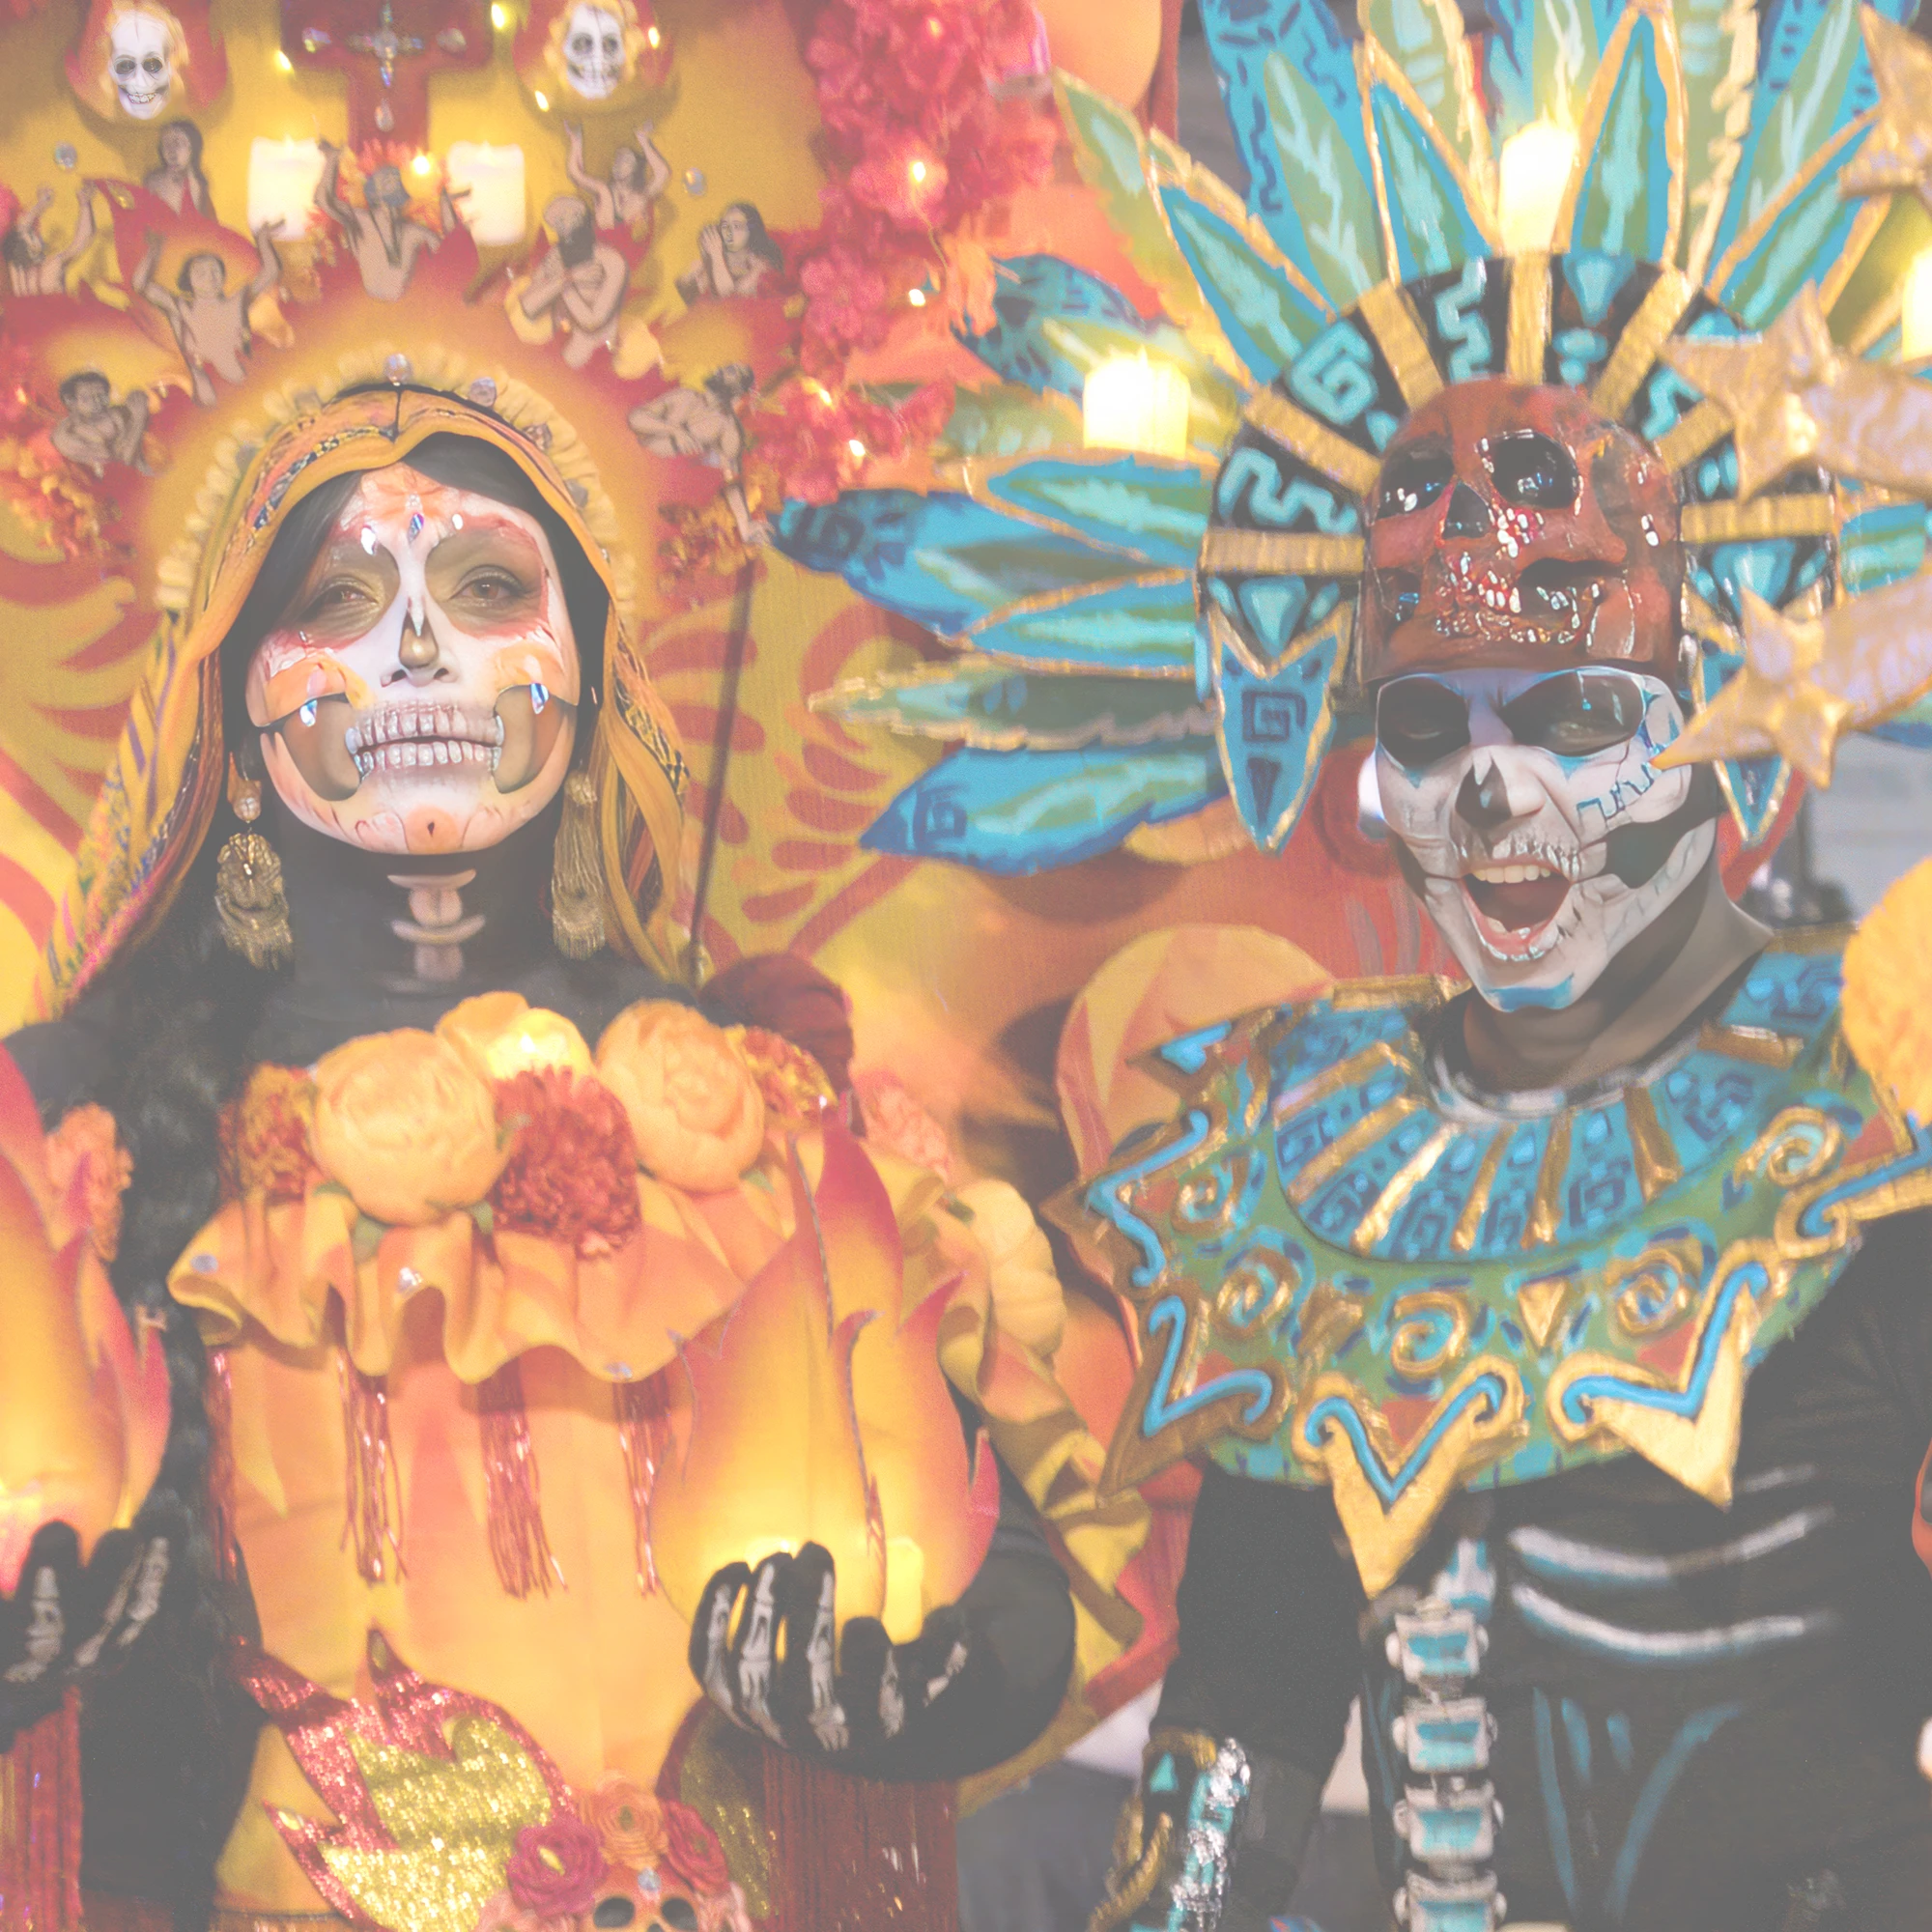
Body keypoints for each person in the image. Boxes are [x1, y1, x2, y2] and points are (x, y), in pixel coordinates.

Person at [0, 374, 1103, 1932]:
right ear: (234, 707)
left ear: (590, 685)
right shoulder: (78, 1128)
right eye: (339, 600)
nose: (420, 648)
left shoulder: (747, 1106)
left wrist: (910, 1676)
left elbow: (1005, 1586)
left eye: (485, 589)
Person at [131, 220, 282, 405]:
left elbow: (270, 272)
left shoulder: (237, 302)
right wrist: (153, 252)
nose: (209, 277)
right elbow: (141, 285)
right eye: (200, 273)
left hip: (251, 383)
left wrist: (262, 240)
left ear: (223, 276)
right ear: (188, 280)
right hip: (211, 393)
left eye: (214, 270)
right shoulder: (180, 308)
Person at [628, 364, 767, 544]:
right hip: (623, 459)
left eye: (732, 372)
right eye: (727, 368)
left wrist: (745, 526)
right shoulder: (685, 396)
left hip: (650, 495)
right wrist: (674, 430)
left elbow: (732, 484)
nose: (722, 369)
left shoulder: (728, 430)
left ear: (738, 389)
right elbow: (635, 418)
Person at [315, 142, 461, 302]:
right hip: (366, 308)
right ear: (375, 193)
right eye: (386, 181)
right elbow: (323, 199)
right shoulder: (361, 220)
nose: (391, 182)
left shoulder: (413, 232)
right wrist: (332, 159)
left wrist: (446, 205)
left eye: (394, 180)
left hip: (402, 311)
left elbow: (451, 254)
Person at [521, 194, 632, 369]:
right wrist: (565, 278)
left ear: (580, 217)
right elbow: (528, 306)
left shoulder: (610, 260)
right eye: (554, 224)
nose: (559, 229)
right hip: (551, 348)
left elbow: (592, 321)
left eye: (562, 220)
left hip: (591, 356)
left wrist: (566, 284)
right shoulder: (556, 256)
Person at [565, 119, 669, 236]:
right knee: (604, 191)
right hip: (603, 239)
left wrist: (644, 141)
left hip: (629, 242)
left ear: (635, 168)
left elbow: (662, 173)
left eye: (626, 160)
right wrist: (576, 141)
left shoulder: (638, 195)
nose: (619, 163)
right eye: (618, 158)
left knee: (638, 200)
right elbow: (576, 174)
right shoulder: (603, 189)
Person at [49, 367, 152, 476]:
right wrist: (139, 420)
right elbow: (123, 462)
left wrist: (137, 398)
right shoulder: (67, 435)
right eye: (87, 397)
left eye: (101, 396)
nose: (97, 402)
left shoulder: (116, 414)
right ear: (71, 401)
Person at [675, 200, 781, 302]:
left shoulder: (760, 261)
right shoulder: (719, 258)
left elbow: (731, 300)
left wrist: (716, 255)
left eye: (737, 226)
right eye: (725, 226)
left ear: (751, 230)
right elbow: (684, 288)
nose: (729, 232)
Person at [3, 182, 97, 297]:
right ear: (29, 247)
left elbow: (21, 228)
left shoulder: (14, 270)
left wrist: (41, 204)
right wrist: (85, 204)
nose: (37, 237)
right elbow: (82, 240)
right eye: (32, 236)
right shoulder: (51, 266)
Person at [141, 118, 213, 219]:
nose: (171, 151)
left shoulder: (200, 185)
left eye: (178, 143)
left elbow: (208, 224)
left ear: (192, 148)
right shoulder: (154, 182)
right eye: (166, 144)